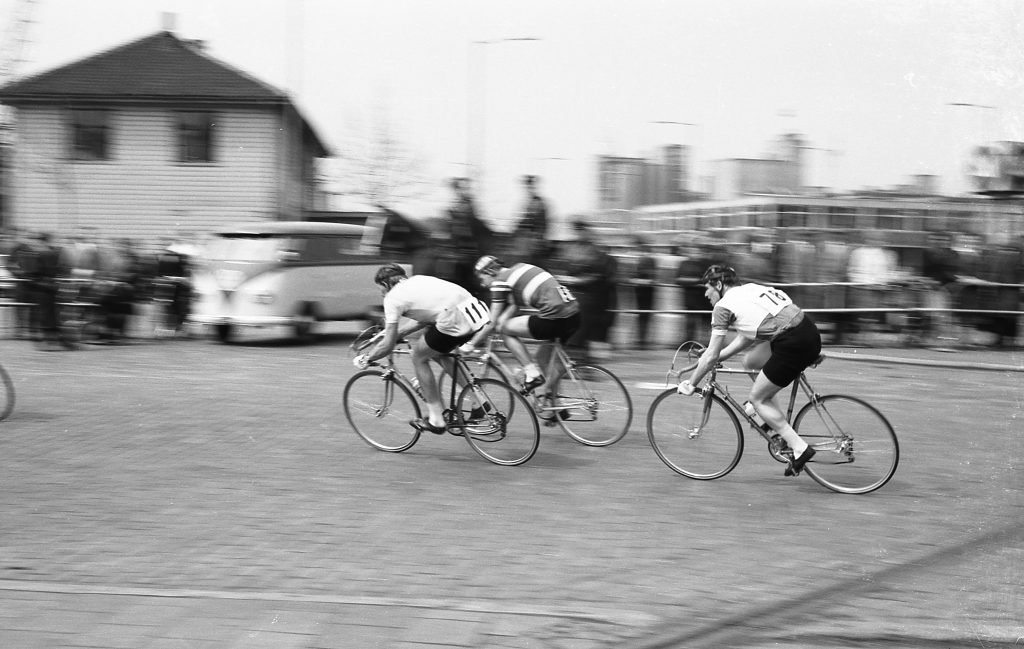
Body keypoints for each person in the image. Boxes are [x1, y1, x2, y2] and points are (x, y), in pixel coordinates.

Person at [677, 265, 822, 477]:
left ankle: (799, 448)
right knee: (751, 362)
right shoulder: (751, 289)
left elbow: (711, 356)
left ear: (719, 284)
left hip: (791, 342)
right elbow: (745, 337)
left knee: (757, 400)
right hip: (808, 332)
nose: (705, 293)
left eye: (707, 288)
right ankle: (776, 424)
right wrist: (715, 356)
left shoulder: (723, 306)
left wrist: (691, 383)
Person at [353, 264, 491, 434]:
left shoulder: (391, 298)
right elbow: (424, 318)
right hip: (476, 312)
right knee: (437, 351)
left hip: (454, 319)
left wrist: (367, 358)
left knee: (418, 356)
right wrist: (396, 333)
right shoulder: (418, 280)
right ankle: (478, 400)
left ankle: (437, 420)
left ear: (386, 284)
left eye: (380, 288)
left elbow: (387, 345)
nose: (381, 293)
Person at [465, 255, 581, 413]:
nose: (482, 283)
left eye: (482, 277)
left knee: (506, 330)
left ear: (490, 272)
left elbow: (491, 322)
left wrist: (471, 344)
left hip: (555, 318)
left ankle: (532, 374)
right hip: (573, 316)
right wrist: (500, 323)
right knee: (542, 358)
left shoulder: (500, 281)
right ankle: (557, 407)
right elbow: (514, 305)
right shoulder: (518, 269)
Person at [509, 174, 549, 266]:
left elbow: (538, 224)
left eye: (530, 185)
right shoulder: (529, 202)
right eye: (527, 185)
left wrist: (537, 239)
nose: (528, 188)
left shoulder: (538, 203)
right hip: (527, 243)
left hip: (533, 243)